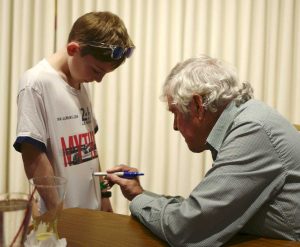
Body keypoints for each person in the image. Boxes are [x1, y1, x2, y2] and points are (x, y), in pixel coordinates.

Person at [106, 55, 300, 246]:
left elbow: (186, 229)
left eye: (175, 113)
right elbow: (204, 211)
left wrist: (139, 200)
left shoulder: (253, 130)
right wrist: (140, 194)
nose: (174, 126)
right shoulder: (249, 117)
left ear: (198, 105)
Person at [13, 11, 135, 211]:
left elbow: (90, 150)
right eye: (96, 71)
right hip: (63, 216)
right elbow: (33, 155)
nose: (99, 80)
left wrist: (104, 197)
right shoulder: (35, 83)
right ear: (73, 49)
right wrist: (58, 213)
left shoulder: (81, 84)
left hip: (91, 214)